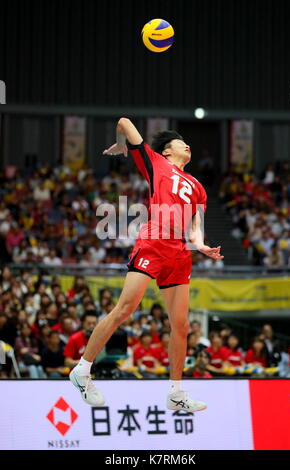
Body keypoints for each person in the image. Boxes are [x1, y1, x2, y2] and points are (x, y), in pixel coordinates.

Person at [70, 117, 223, 412]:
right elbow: (125, 122)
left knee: (180, 326)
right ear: (167, 151)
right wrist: (120, 142)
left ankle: (176, 393)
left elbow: (196, 227)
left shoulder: (198, 187)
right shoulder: (155, 163)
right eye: (181, 142)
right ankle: (82, 370)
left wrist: (201, 245)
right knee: (125, 308)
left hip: (180, 254)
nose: (186, 144)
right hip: (154, 242)